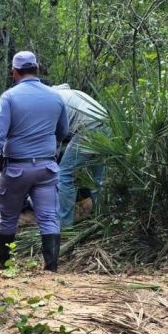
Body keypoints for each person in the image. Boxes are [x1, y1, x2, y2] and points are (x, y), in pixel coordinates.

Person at [0, 52, 68, 271]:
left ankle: (5, 261)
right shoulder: (56, 96)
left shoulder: (9, 97)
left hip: (17, 168)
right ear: (37, 69)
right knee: (48, 217)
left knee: (8, 217)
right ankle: (51, 268)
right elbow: (63, 131)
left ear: (14, 72)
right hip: (47, 168)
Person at [52, 83, 107, 228]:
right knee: (97, 178)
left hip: (88, 128)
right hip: (106, 123)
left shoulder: (52, 99)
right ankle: (102, 217)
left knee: (64, 174)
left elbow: (57, 137)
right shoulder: (72, 94)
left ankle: (64, 225)